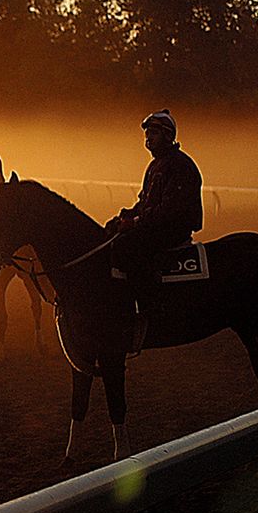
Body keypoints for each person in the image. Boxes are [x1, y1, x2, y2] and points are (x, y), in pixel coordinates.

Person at [104, 109, 203, 344]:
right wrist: (126, 216)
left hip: (172, 230)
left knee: (127, 248)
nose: (148, 136)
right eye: (147, 132)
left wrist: (135, 222)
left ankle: (148, 306)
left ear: (168, 135)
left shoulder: (180, 165)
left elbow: (169, 210)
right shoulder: (156, 165)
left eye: (154, 132)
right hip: (156, 225)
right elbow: (144, 203)